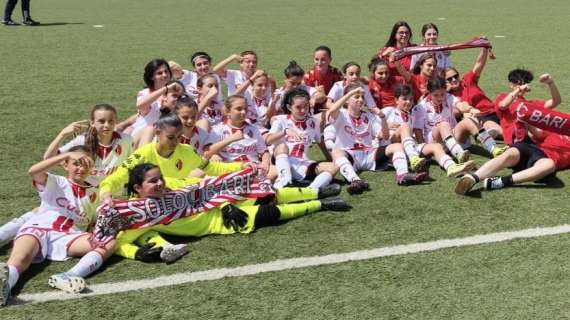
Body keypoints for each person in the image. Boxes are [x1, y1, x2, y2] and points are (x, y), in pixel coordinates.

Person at [0, 104, 133, 248]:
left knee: (112, 231)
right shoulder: (82, 141)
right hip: (81, 195)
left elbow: (130, 166)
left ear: (116, 121)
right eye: (101, 121)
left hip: (106, 198)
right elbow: (48, 158)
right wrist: (62, 134)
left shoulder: (126, 140)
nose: (107, 125)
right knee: (40, 212)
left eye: (111, 121)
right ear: (92, 123)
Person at [0, 146, 116, 306]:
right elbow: (33, 171)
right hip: (39, 228)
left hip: (69, 237)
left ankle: (68, 275)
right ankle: (4, 287)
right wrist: (66, 154)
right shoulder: (55, 181)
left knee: (108, 241)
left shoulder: (93, 192)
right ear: (65, 165)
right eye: (76, 163)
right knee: (22, 258)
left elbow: (94, 218)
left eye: (85, 164)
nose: (81, 168)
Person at [329, 85, 425, 193]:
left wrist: (383, 118)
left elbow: (384, 136)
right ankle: (355, 181)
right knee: (336, 152)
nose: (361, 100)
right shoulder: (341, 114)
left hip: (369, 154)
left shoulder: (369, 116)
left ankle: (403, 175)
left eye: (362, 97)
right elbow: (331, 110)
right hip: (350, 155)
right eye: (356, 97)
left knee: (397, 146)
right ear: (347, 101)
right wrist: (351, 92)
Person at [384, 84, 475, 177]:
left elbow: (417, 131)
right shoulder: (388, 111)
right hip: (393, 146)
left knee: (436, 147)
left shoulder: (412, 115)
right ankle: (413, 158)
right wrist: (386, 124)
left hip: (412, 148)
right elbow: (375, 127)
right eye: (404, 99)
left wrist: (422, 144)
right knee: (405, 126)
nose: (408, 102)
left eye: (411, 99)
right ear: (396, 100)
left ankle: (451, 167)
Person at [413, 77, 507, 162]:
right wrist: (424, 149)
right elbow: (417, 130)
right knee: (443, 124)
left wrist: (470, 109)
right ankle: (458, 153)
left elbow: (461, 105)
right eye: (436, 95)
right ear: (429, 92)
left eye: (442, 94)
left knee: (469, 120)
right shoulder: (421, 107)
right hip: (436, 142)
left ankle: (493, 148)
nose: (440, 98)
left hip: (451, 137)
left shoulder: (449, 97)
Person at [455, 127, 570, 194]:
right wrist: (526, 120)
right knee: (509, 154)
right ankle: (473, 178)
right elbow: (539, 133)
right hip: (533, 149)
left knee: (549, 165)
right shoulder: (561, 127)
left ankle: (502, 181)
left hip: (545, 161)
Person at [266, 88, 339, 189]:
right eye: (298, 107)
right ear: (289, 107)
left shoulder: (314, 122)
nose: (303, 110)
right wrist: (284, 131)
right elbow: (268, 140)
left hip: (302, 163)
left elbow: (320, 141)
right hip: (280, 161)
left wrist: (332, 158)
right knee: (282, 147)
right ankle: (285, 181)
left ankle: (311, 191)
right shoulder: (280, 120)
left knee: (334, 167)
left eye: (306, 106)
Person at [445, 46, 502, 137]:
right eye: (449, 79)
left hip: (494, 110)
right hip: (481, 117)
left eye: (456, 76)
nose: (454, 79)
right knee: (492, 127)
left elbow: (479, 63)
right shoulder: (449, 97)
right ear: (445, 82)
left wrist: (484, 48)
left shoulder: (467, 80)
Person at [494, 69, 561, 145]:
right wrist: (518, 89)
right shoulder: (502, 97)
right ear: (511, 85)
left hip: (532, 141)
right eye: (519, 84)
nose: (522, 86)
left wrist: (550, 83)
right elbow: (503, 105)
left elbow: (556, 102)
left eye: (524, 83)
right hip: (515, 140)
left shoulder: (530, 104)